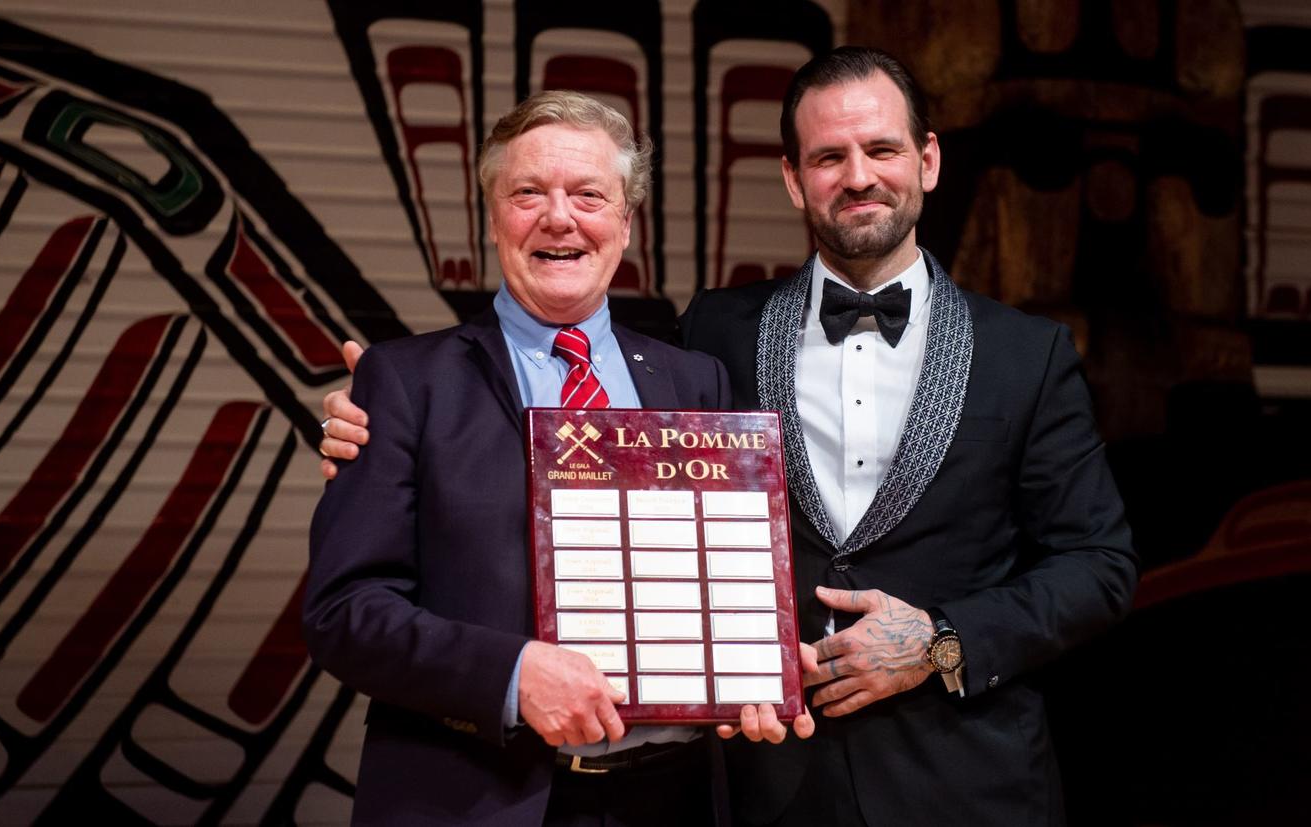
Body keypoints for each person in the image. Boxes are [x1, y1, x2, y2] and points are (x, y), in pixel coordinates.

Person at [320, 48, 1137, 827]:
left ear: (927, 160)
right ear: (792, 178)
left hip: (961, 779)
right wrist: (370, 413)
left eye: (880, 149)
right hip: (761, 791)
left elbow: (1099, 564)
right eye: (827, 158)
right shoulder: (714, 337)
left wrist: (942, 639)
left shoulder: (1027, 355)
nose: (857, 176)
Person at [305, 90, 810, 827]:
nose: (559, 217)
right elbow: (342, 613)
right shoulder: (407, 383)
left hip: (674, 800)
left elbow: (724, 583)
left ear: (626, 223)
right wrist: (510, 676)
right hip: (474, 797)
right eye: (528, 193)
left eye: (588, 195)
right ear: (493, 216)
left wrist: (748, 672)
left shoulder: (695, 380)